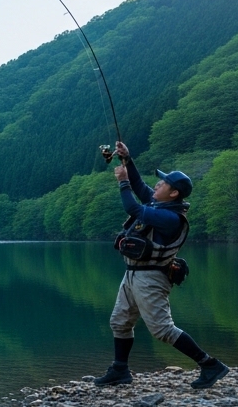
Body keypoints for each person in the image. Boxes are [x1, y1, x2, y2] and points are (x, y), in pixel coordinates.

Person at [93, 141, 229, 389]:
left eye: (163, 183)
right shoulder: (159, 205)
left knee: (162, 330)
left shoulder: (170, 218)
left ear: (174, 193)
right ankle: (120, 370)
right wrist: (127, 159)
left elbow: (132, 206)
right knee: (120, 322)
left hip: (151, 278)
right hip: (133, 275)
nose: (157, 185)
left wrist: (122, 181)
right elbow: (140, 187)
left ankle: (210, 365)